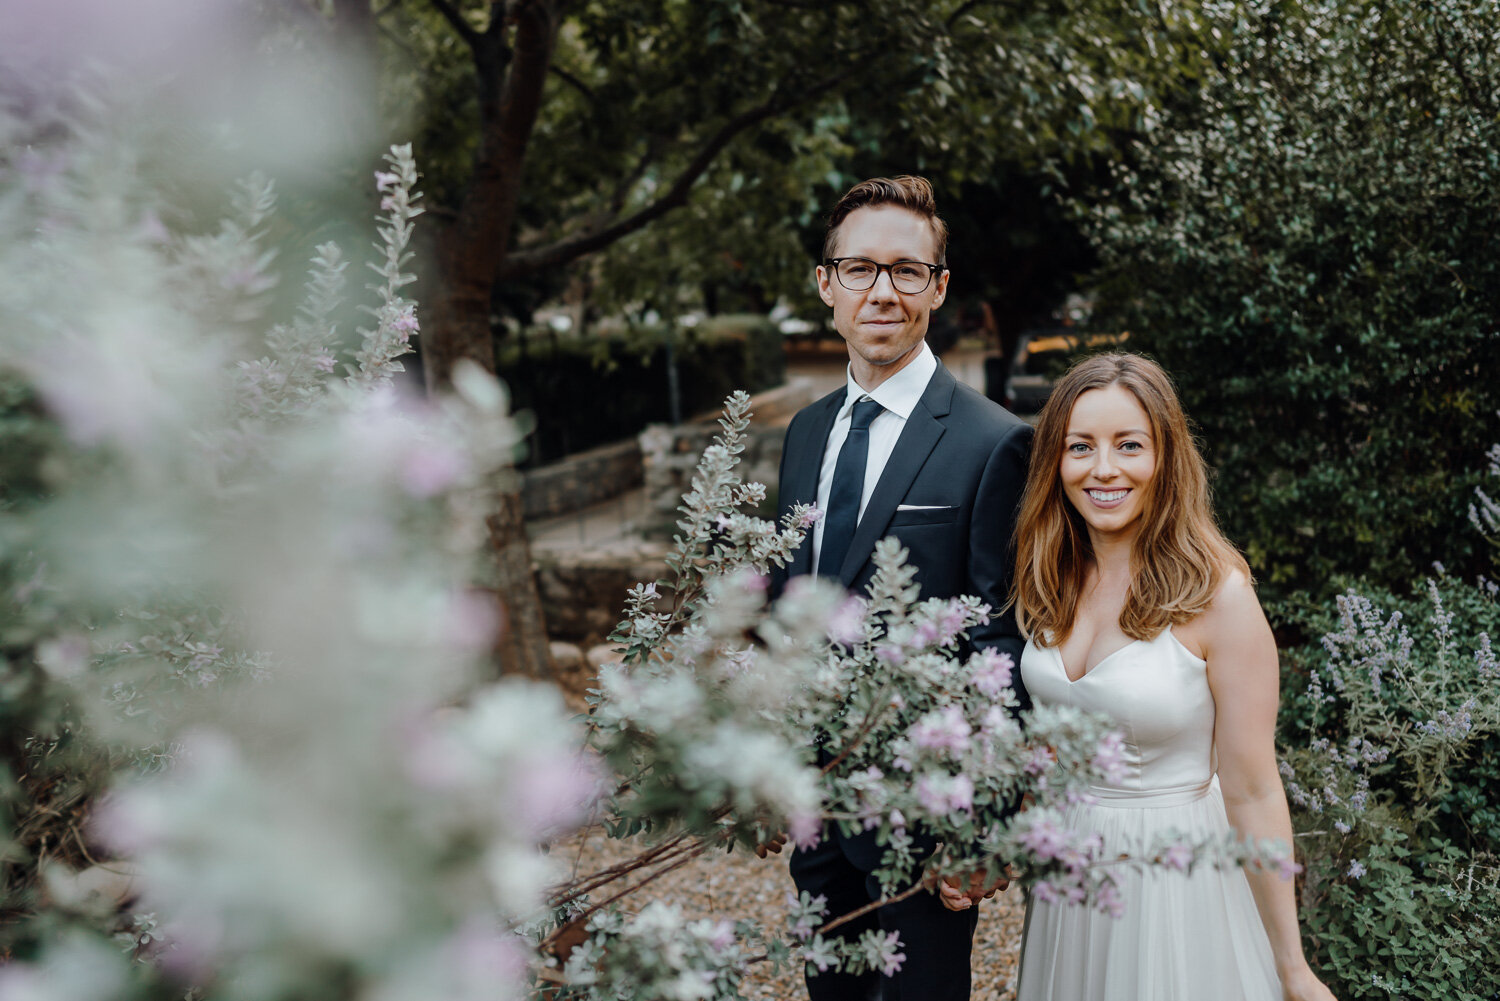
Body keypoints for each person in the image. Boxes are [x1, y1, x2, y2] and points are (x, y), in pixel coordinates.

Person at [768, 175, 1033, 1001]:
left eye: (907, 271)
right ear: (826, 285)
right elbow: (796, 599)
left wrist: (984, 822)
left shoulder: (994, 442)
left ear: (938, 288)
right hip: (815, 807)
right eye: (859, 269)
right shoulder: (804, 433)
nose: (882, 291)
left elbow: (1001, 636)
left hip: (927, 818)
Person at [1008, 353, 1337, 1001]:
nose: (1104, 469)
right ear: (1055, 460)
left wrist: (1293, 965)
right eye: (1081, 446)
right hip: (1070, 876)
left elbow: (1252, 790)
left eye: (1129, 445)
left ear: (1166, 456)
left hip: (1173, 884)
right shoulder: (1051, 575)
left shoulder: (1221, 596)